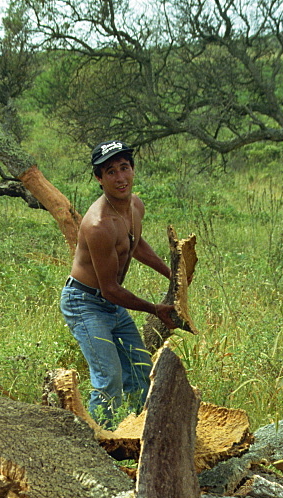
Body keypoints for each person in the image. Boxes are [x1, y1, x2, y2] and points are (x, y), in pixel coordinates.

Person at [60, 140, 177, 422]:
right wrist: (155, 309)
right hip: (85, 303)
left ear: (133, 169)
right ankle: (97, 446)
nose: (120, 178)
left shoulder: (135, 206)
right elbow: (110, 289)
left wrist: (171, 274)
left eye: (124, 168)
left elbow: (133, 243)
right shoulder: (99, 224)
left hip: (110, 302)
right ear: (99, 179)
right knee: (109, 378)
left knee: (140, 369)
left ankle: (138, 436)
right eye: (111, 172)